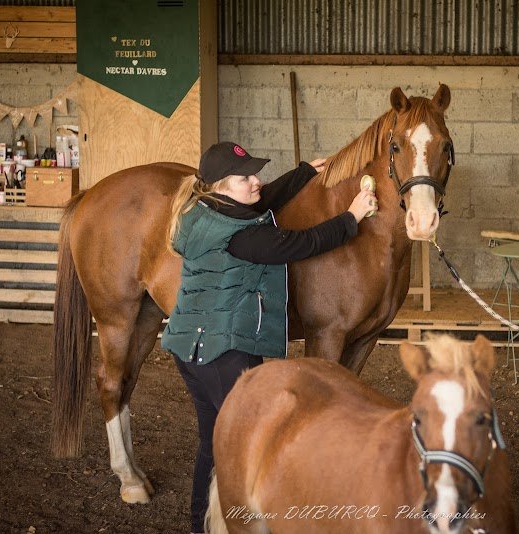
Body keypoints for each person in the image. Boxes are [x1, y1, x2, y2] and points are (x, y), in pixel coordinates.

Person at [161, 141, 377, 533]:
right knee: (245, 445)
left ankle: (201, 526)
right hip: (225, 351)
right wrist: (351, 217)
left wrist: (302, 174)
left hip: (190, 347)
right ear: (221, 188)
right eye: (245, 177)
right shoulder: (242, 237)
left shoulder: (202, 210)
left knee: (214, 439)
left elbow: (260, 199)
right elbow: (303, 243)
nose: (256, 180)